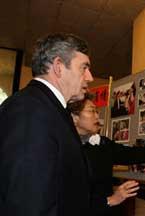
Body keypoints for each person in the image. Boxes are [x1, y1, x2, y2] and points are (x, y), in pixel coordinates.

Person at [0, 33, 94, 216]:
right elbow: (28, 204)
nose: (89, 77)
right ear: (59, 67)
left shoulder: (49, 109)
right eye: (84, 68)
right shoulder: (30, 110)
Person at [67, 93, 145, 216]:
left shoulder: (102, 144)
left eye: (96, 111)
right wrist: (110, 200)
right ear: (74, 117)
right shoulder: (63, 149)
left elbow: (138, 154)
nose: (97, 116)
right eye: (91, 111)